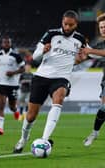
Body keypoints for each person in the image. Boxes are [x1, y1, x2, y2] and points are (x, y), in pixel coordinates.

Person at [13, 10, 87, 153]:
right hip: (42, 77)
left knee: (59, 98)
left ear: (76, 24)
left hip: (61, 78)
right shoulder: (51, 34)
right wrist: (43, 51)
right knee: (31, 115)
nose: (67, 27)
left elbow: (86, 54)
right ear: (62, 22)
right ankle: (23, 139)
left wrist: (82, 58)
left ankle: (45, 139)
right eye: (65, 24)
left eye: (70, 25)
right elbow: (35, 56)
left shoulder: (80, 40)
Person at [0, 36, 25, 135]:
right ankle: (0, 128)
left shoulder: (16, 55)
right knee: (1, 106)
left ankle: (16, 111)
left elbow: (23, 69)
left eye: (8, 43)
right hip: (1, 83)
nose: (6, 44)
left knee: (12, 107)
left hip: (13, 84)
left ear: (10, 44)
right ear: (2, 44)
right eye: (4, 43)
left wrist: (13, 73)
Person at [80, 13, 105, 146]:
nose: (103, 29)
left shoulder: (98, 47)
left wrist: (90, 50)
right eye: (101, 27)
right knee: (104, 108)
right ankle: (95, 132)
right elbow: (93, 56)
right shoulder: (100, 44)